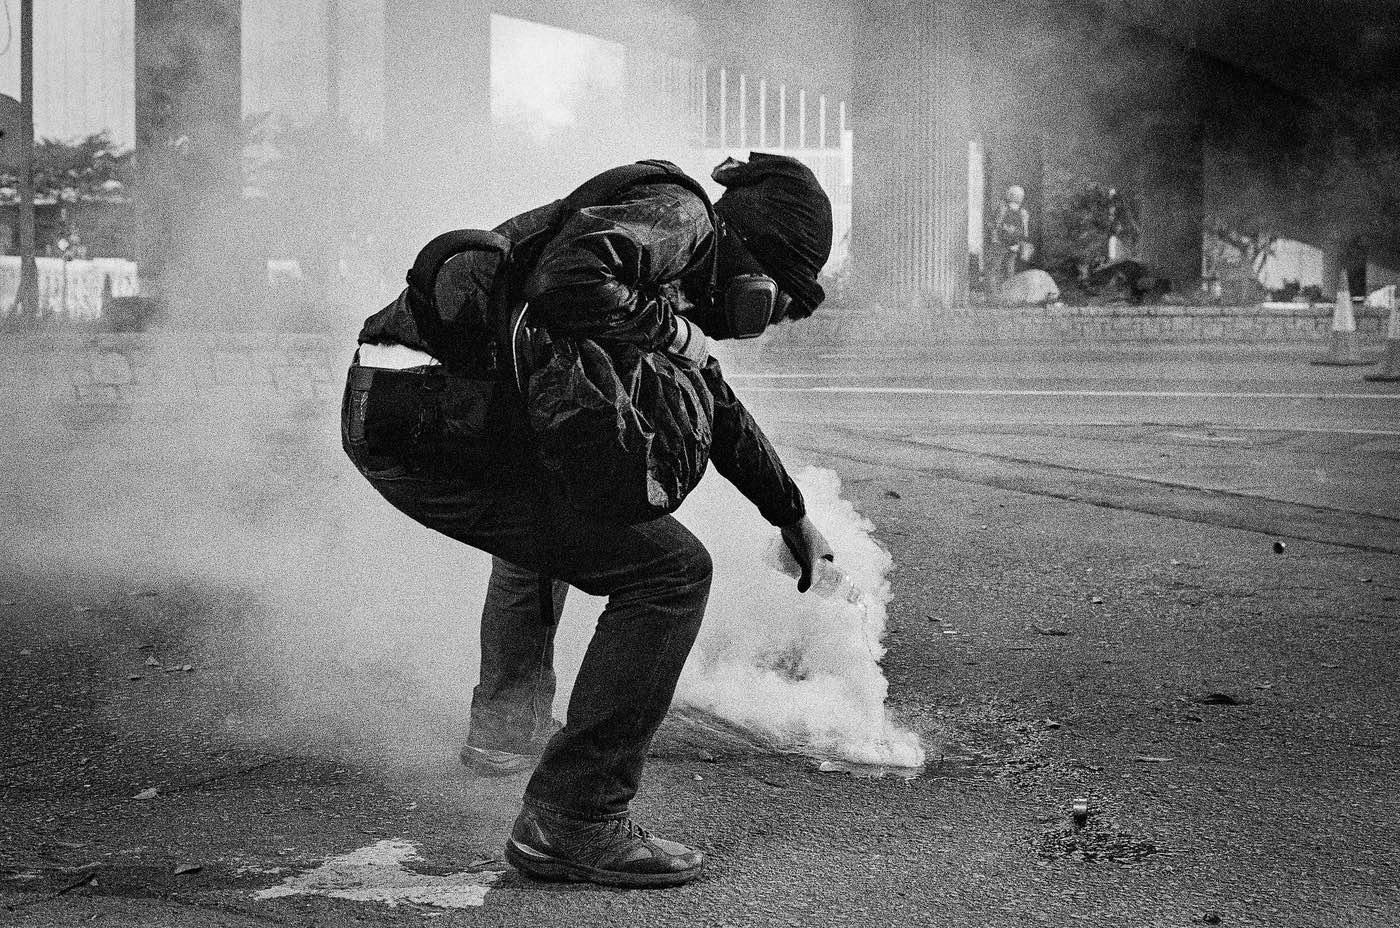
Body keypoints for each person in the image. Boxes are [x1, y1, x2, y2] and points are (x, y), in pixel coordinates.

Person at [341, 153, 837, 888]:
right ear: (754, 261)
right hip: (422, 417)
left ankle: (507, 733)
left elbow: (714, 400)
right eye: (778, 302)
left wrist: (789, 513)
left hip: (426, 412)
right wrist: (673, 335)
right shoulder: (682, 216)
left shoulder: (666, 278)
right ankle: (574, 818)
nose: (764, 323)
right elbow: (567, 279)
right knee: (670, 572)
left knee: (568, 526)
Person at [991, 184, 1031, 289]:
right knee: (1009, 268)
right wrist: (1019, 242)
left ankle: (997, 293)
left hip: (1002, 242)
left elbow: (996, 225)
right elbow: (1025, 232)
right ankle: (1007, 292)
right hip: (1012, 243)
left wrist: (995, 238)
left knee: (998, 267)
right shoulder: (1022, 212)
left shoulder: (1003, 208)